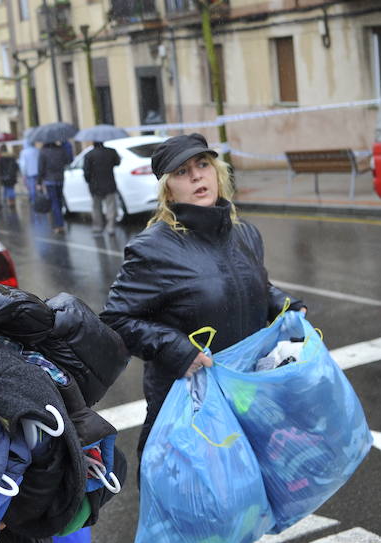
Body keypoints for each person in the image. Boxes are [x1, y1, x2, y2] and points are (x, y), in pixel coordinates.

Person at [100, 133, 305, 459]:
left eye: (202, 164)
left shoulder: (244, 233)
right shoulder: (153, 248)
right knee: (200, 497)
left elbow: (255, 285)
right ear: (168, 188)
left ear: (217, 172)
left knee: (249, 491)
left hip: (245, 389)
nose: (196, 175)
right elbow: (116, 319)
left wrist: (284, 305)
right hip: (189, 401)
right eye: (182, 172)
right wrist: (176, 350)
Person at [82, 141, 121, 236]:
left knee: (96, 207)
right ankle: (111, 227)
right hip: (109, 183)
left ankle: (98, 226)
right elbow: (117, 162)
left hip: (95, 185)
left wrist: (89, 181)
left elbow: (86, 172)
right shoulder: (111, 152)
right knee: (111, 206)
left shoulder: (89, 155)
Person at [38, 141, 73, 234]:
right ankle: (60, 223)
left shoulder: (43, 152)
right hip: (60, 179)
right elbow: (67, 161)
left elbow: (41, 168)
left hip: (50, 181)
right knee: (59, 201)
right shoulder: (60, 150)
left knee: (54, 203)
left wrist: (39, 182)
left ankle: (58, 225)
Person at [18, 140, 41, 206]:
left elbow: (23, 165)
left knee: (32, 187)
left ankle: (34, 201)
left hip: (29, 173)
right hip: (38, 172)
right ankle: (39, 200)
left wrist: (23, 173)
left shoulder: (24, 152)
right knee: (38, 186)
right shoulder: (37, 150)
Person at [0, 144, 20, 208]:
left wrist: (1, 176)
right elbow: (16, 166)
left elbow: (0, 169)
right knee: (11, 188)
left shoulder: (1, 158)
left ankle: (9, 202)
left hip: (5, 177)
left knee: (7, 188)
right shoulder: (12, 156)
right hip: (12, 176)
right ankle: (12, 201)